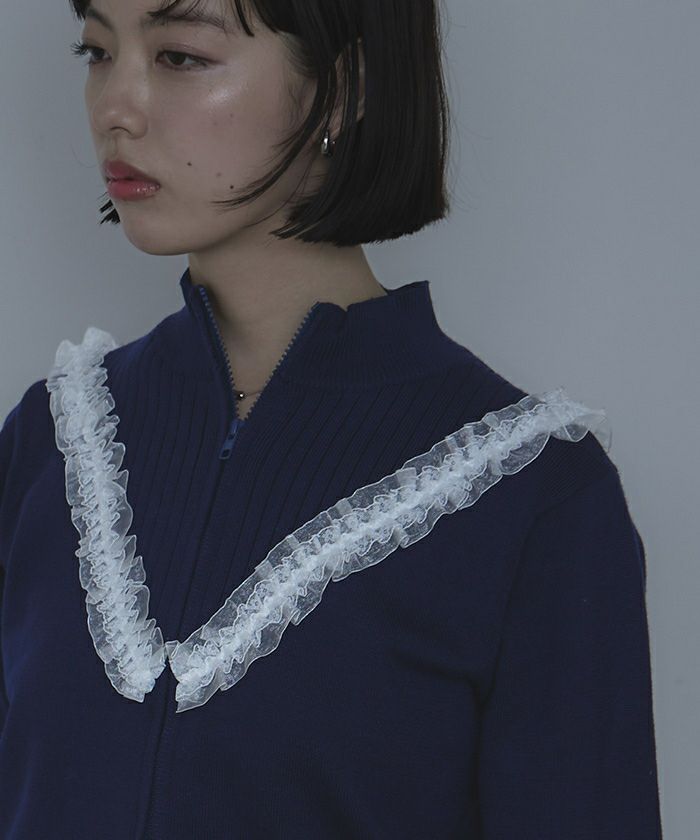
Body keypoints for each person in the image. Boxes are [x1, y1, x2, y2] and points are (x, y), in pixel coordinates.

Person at [0, 1, 663, 838]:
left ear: (344, 88)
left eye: (179, 56)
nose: (115, 108)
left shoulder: (535, 499)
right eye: (95, 51)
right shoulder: (49, 443)